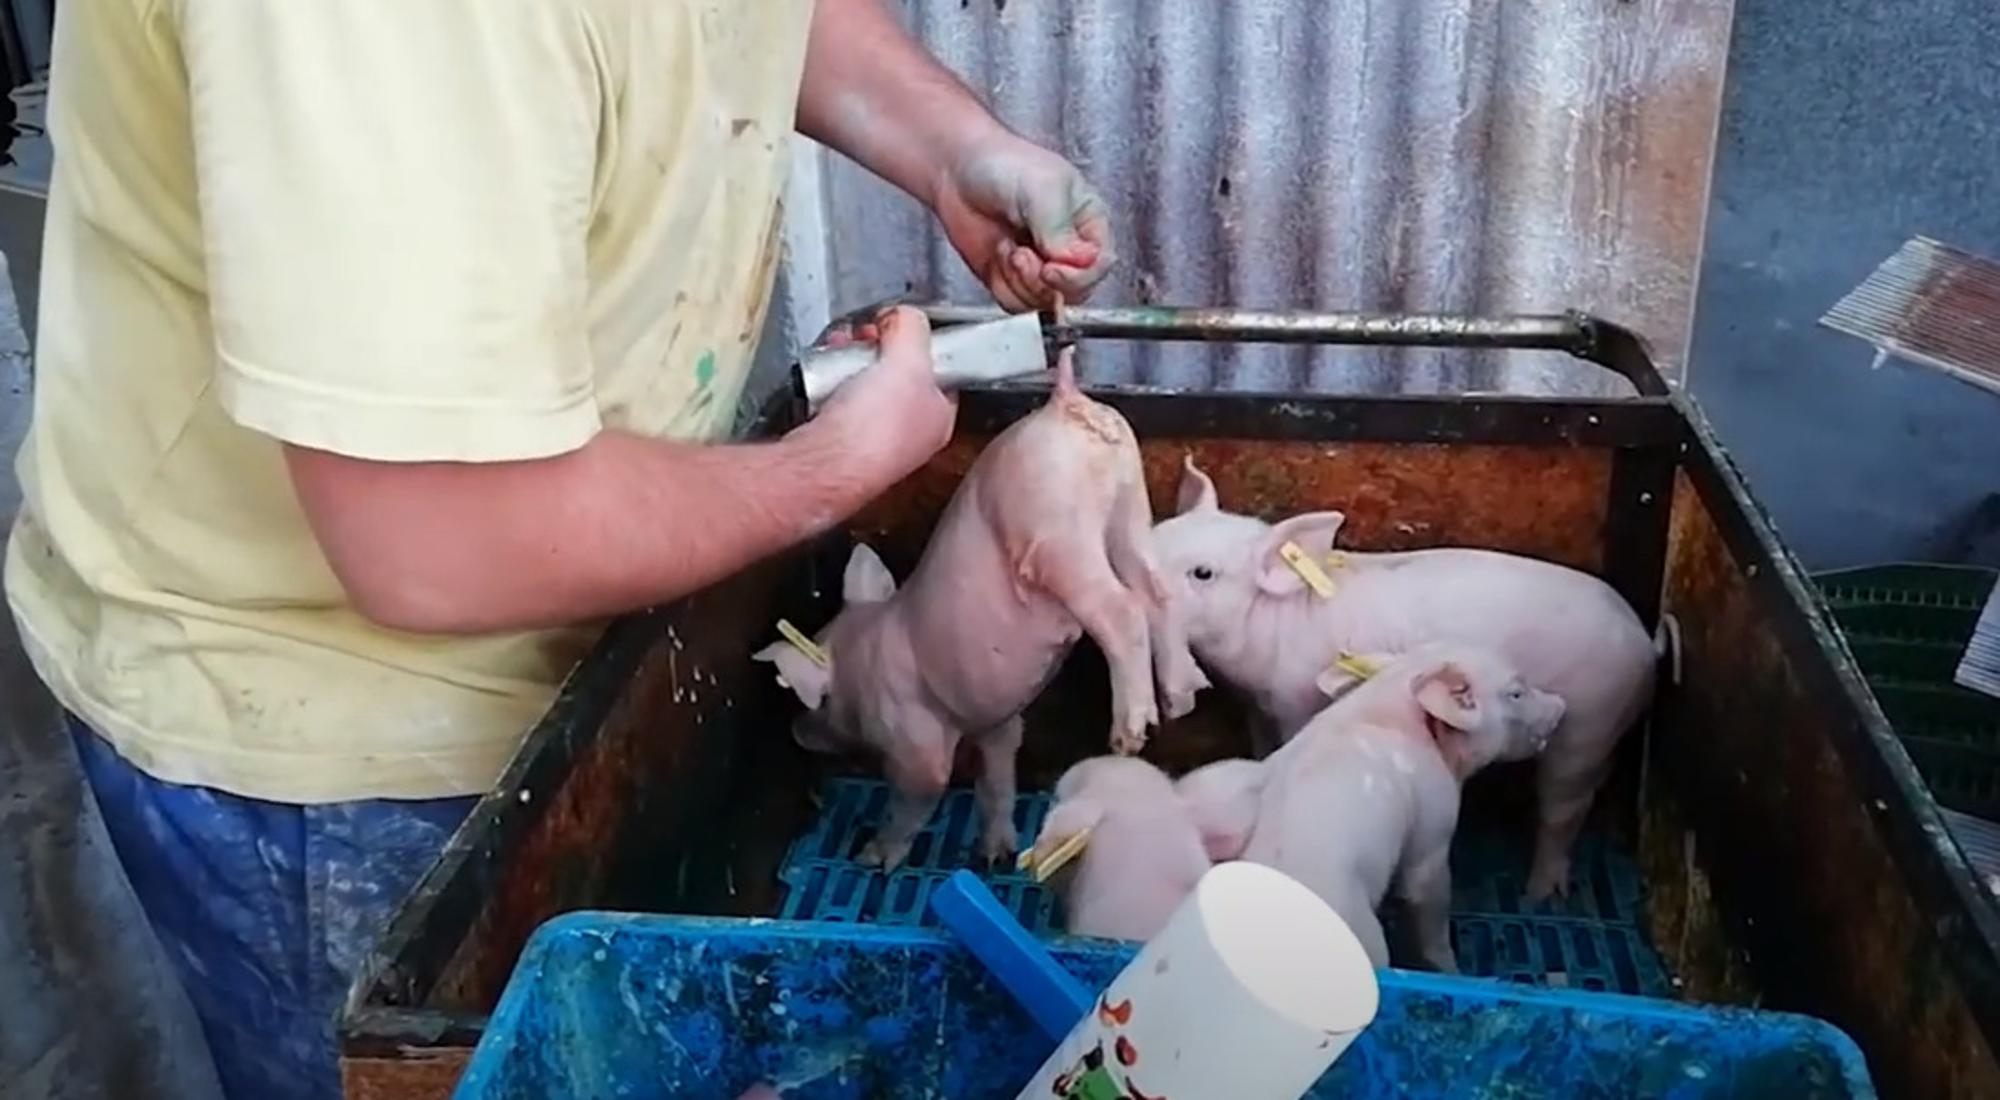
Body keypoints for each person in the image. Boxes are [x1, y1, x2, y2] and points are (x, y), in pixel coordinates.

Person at [3, 3, 1113, 1098]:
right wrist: (826, 469)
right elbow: (433, 532)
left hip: (578, 611)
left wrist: (949, 144)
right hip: (340, 731)